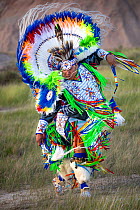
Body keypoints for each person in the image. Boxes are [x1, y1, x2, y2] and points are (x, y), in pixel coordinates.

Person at [17, 3, 139, 197]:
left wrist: (108, 55)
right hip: (66, 120)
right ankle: (82, 185)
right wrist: (40, 130)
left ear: (76, 65)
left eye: (72, 69)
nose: (69, 72)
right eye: (66, 71)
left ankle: (65, 179)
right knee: (75, 146)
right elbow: (48, 108)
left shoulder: (84, 65)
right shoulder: (57, 84)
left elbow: (94, 51)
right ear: (61, 70)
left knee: (86, 150)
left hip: (92, 115)